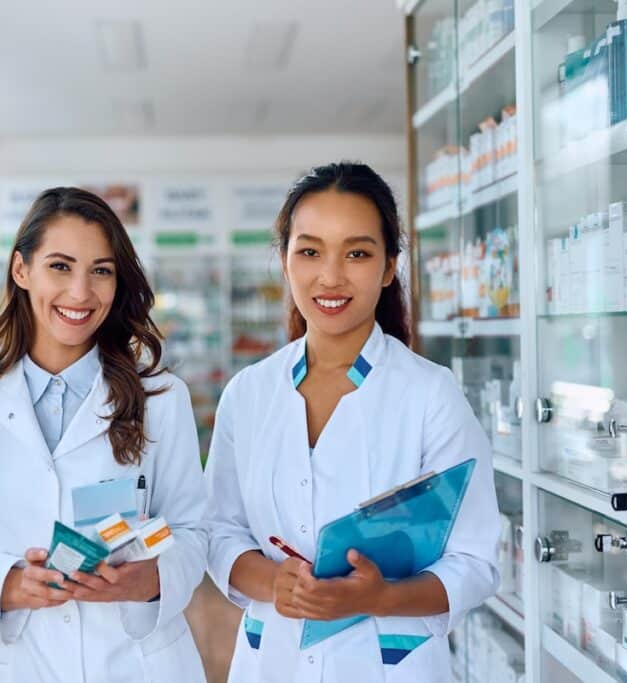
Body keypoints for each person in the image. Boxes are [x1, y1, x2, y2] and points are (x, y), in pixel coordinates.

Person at [204, 162, 499, 682]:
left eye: (357, 253)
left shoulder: (430, 393)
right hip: (274, 658)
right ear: (285, 260)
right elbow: (218, 530)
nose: (331, 276)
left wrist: (383, 596)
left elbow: (475, 560)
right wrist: (274, 583)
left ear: (389, 268)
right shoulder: (250, 393)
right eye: (310, 251)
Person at [0, 187, 208, 683]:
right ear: (21, 270)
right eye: (60, 267)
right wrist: (11, 586)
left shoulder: (162, 398)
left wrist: (146, 580)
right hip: (23, 664)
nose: (81, 293)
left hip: (141, 664)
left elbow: (195, 532)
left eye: (101, 271)